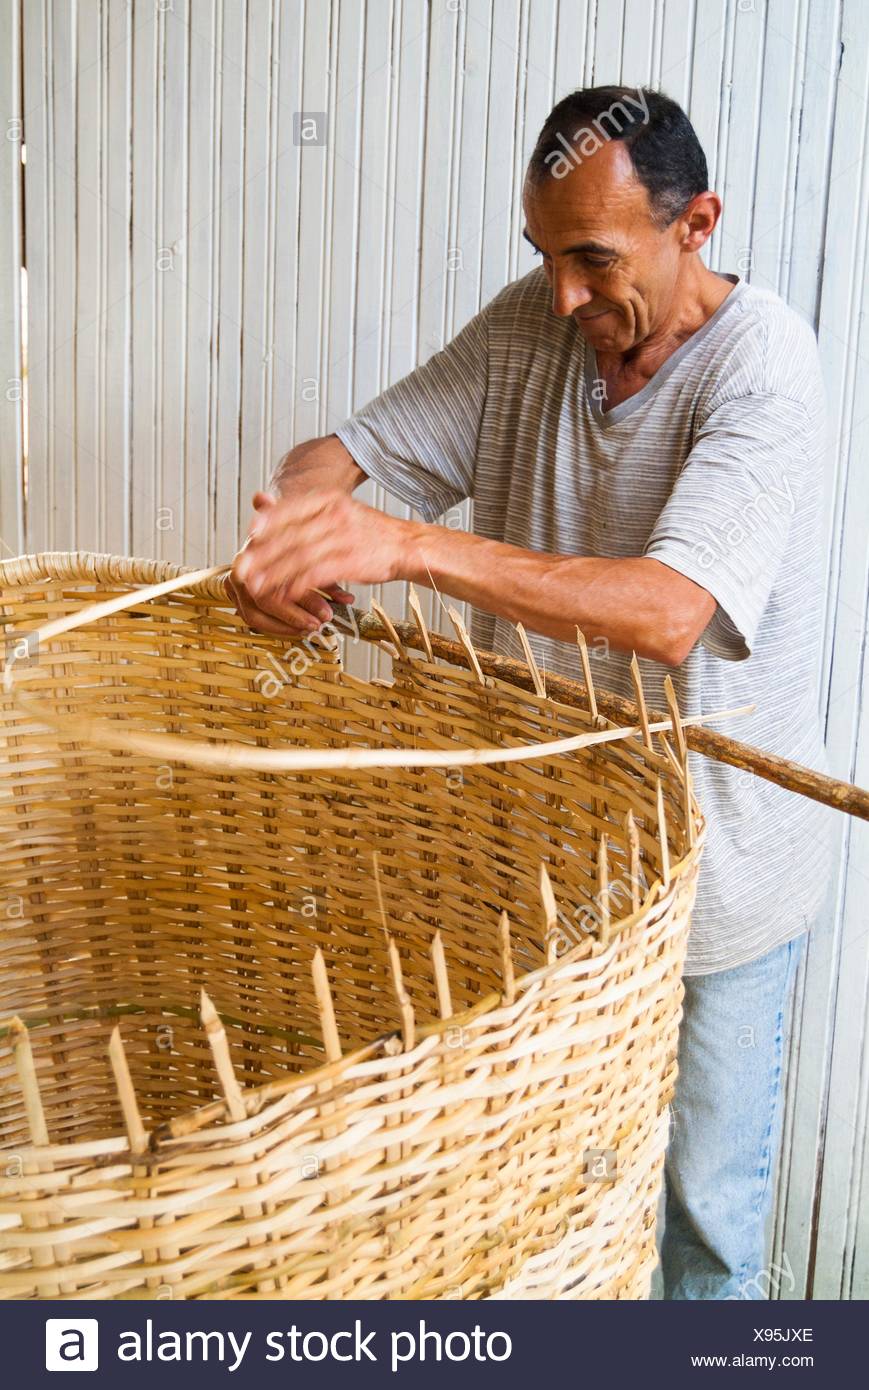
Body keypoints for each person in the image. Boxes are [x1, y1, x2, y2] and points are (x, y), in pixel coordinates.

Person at [229, 86, 833, 1299]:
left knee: (704, 1234)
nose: (563, 294)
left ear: (695, 223)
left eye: (593, 258)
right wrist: (297, 533)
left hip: (717, 891)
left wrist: (403, 547)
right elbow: (348, 456)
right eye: (545, 254)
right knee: (550, 1207)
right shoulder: (534, 325)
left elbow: (668, 612)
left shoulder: (762, 366)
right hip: (548, 884)